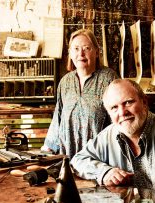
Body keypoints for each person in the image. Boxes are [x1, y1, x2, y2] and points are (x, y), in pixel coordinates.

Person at [41, 29, 118, 159]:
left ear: (96, 52)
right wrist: (48, 146)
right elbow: (58, 117)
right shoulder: (65, 82)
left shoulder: (109, 79)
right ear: (70, 54)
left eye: (86, 48)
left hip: (99, 158)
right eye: (76, 49)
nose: (81, 54)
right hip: (68, 157)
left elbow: (118, 121)